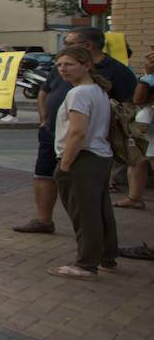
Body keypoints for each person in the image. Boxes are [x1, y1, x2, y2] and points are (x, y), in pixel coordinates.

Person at [15, 27, 137, 233]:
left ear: (88, 46)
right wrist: (44, 119)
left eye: (69, 43)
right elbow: (44, 92)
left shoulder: (115, 71)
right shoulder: (61, 66)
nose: (63, 65)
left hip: (86, 146)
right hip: (52, 134)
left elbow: (127, 107)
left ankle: (90, 242)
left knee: (84, 196)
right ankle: (44, 220)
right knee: (43, 175)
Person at [48, 46, 118, 279]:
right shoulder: (97, 90)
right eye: (59, 65)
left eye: (69, 64)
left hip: (82, 158)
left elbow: (78, 132)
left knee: (84, 214)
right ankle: (107, 257)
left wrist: (66, 164)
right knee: (99, 210)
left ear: (87, 65)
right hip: (99, 156)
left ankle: (86, 264)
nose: (62, 69)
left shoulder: (78, 94)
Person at [116, 50, 154, 210]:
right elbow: (139, 99)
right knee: (137, 159)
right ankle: (134, 198)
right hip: (148, 123)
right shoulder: (149, 76)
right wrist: (148, 75)